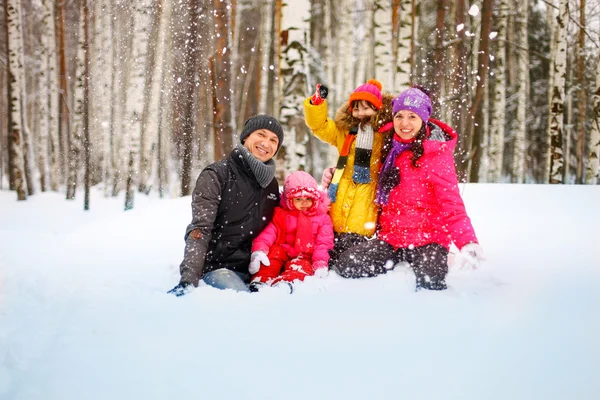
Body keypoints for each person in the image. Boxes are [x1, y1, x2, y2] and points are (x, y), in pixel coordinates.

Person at [334, 86, 485, 290]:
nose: (405, 123)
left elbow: (452, 205)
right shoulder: (388, 146)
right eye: (400, 116)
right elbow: (362, 171)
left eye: (412, 116)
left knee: (431, 283)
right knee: (346, 265)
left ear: (423, 120)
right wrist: (336, 173)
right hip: (392, 240)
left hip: (428, 239)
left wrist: (467, 242)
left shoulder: (437, 155)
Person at [168, 115, 285, 296]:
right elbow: (200, 230)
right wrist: (188, 281)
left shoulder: (270, 185)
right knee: (244, 303)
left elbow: (282, 225)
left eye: (273, 140)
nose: (266, 143)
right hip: (219, 268)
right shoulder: (217, 175)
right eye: (261, 135)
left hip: (256, 270)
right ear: (246, 137)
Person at [303, 79, 393, 271]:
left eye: (367, 108)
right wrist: (317, 104)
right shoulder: (345, 131)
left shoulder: (385, 134)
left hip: (367, 194)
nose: (361, 113)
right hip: (341, 188)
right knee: (331, 246)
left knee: (354, 239)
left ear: (378, 109)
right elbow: (320, 127)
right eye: (357, 108)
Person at [248, 171, 334, 293]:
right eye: (298, 198)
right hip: (283, 250)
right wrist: (260, 250)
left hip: (305, 255)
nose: (304, 202)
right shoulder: (281, 215)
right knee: (272, 256)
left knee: (300, 267)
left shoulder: (322, 218)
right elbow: (268, 233)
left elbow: (323, 243)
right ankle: (262, 279)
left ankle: (286, 282)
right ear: (289, 200)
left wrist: (320, 262)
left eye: (308, 198)